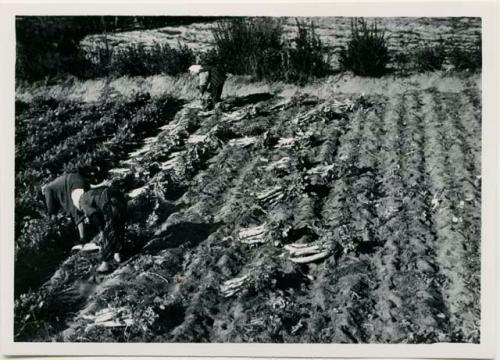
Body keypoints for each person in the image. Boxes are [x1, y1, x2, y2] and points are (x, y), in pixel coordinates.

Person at [42, 172, 126, 273]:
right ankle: (118, 254)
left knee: (108, 231)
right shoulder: (89, 194)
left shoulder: (82, 202)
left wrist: (101, 228)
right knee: (118, 226)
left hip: (110, 203)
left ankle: (105, 263)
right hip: (119, 198)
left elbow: (93, 214)